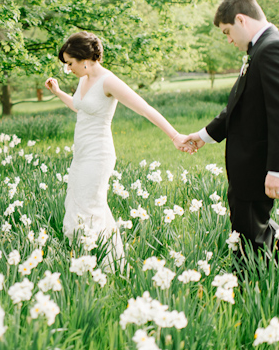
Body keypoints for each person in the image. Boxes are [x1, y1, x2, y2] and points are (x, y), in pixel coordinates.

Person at [186, 0, 279, 287]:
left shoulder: (273, 49)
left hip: (260, 167)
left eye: (227, 32)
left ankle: (258, 290)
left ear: (241, 19)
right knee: (255, 233)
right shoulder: (260, 49)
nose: (228, 40)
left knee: (251, 235)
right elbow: (239, 107)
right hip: (249, 167)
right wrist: (203, 136)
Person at [45, 31, 195, 271]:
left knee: (89, 208)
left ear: (84, 58)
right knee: (82, 206)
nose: (68, 69)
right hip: (81, 154)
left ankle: (95, 266)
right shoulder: (84, 79)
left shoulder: (108, 81)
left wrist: (175, 135)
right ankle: (110, 264)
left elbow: (144, 109)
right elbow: (79, 107)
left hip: (98, 155)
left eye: (69, 64)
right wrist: (59, 92)